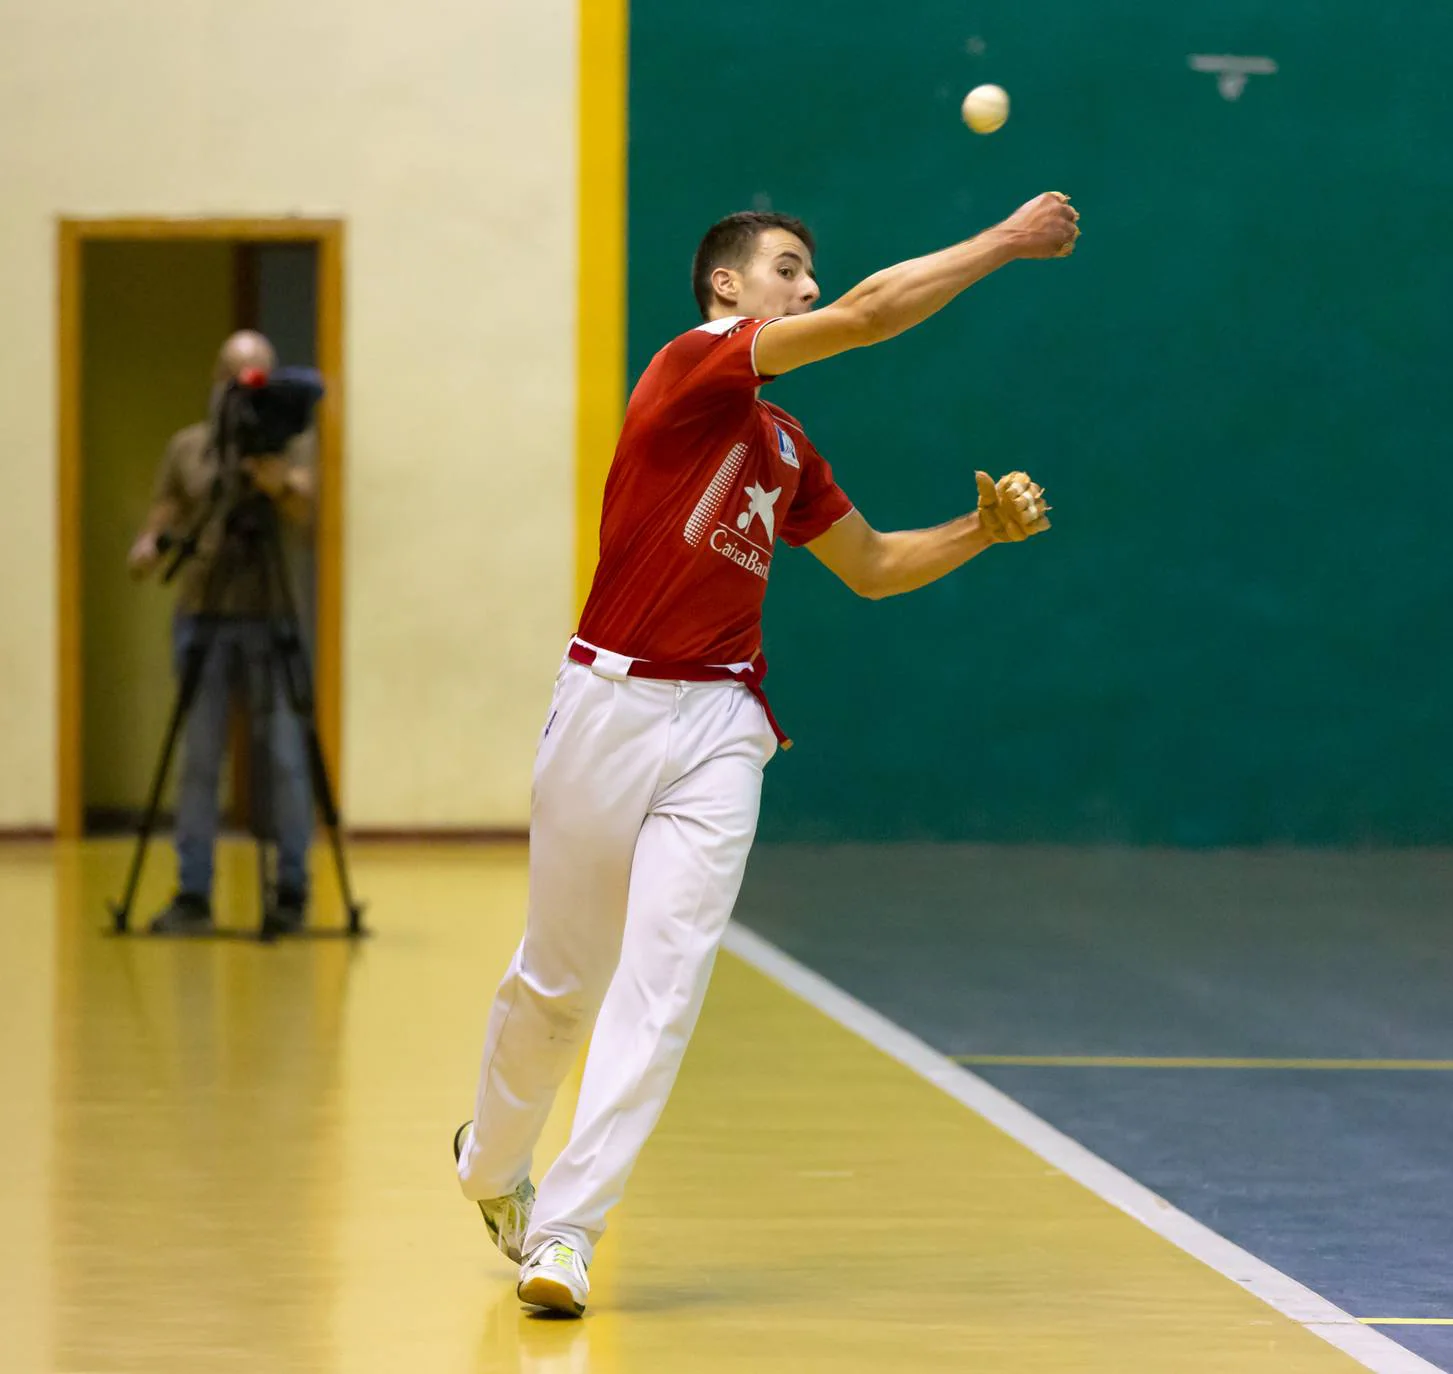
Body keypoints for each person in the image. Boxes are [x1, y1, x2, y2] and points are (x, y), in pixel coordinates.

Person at [454, 192, 1080, 1314]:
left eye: (810, 271)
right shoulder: (689, 372)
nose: (805, 288)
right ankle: (490, 1166)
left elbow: (876, 565)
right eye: (787, 269)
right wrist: (999, 241)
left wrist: (977, 533)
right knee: (558, 984)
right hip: (606, 704)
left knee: (664, 983)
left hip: (720, 729)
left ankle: (567, 1234)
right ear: (725, 289)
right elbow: (872, 317)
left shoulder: (786, 447)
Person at [127, 331, 317, 935]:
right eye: (236, 376)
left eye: (259, 375)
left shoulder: (289, 447)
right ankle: (192, 893)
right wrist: (149, 545)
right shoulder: (189, 449)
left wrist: (275, 478)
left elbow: (306, 510)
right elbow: (165, 512)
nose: (246, 388)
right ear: (217, 381)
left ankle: (290, 889)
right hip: (203, 611)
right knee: (201, 758)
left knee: (285, 757)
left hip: (269, 614)